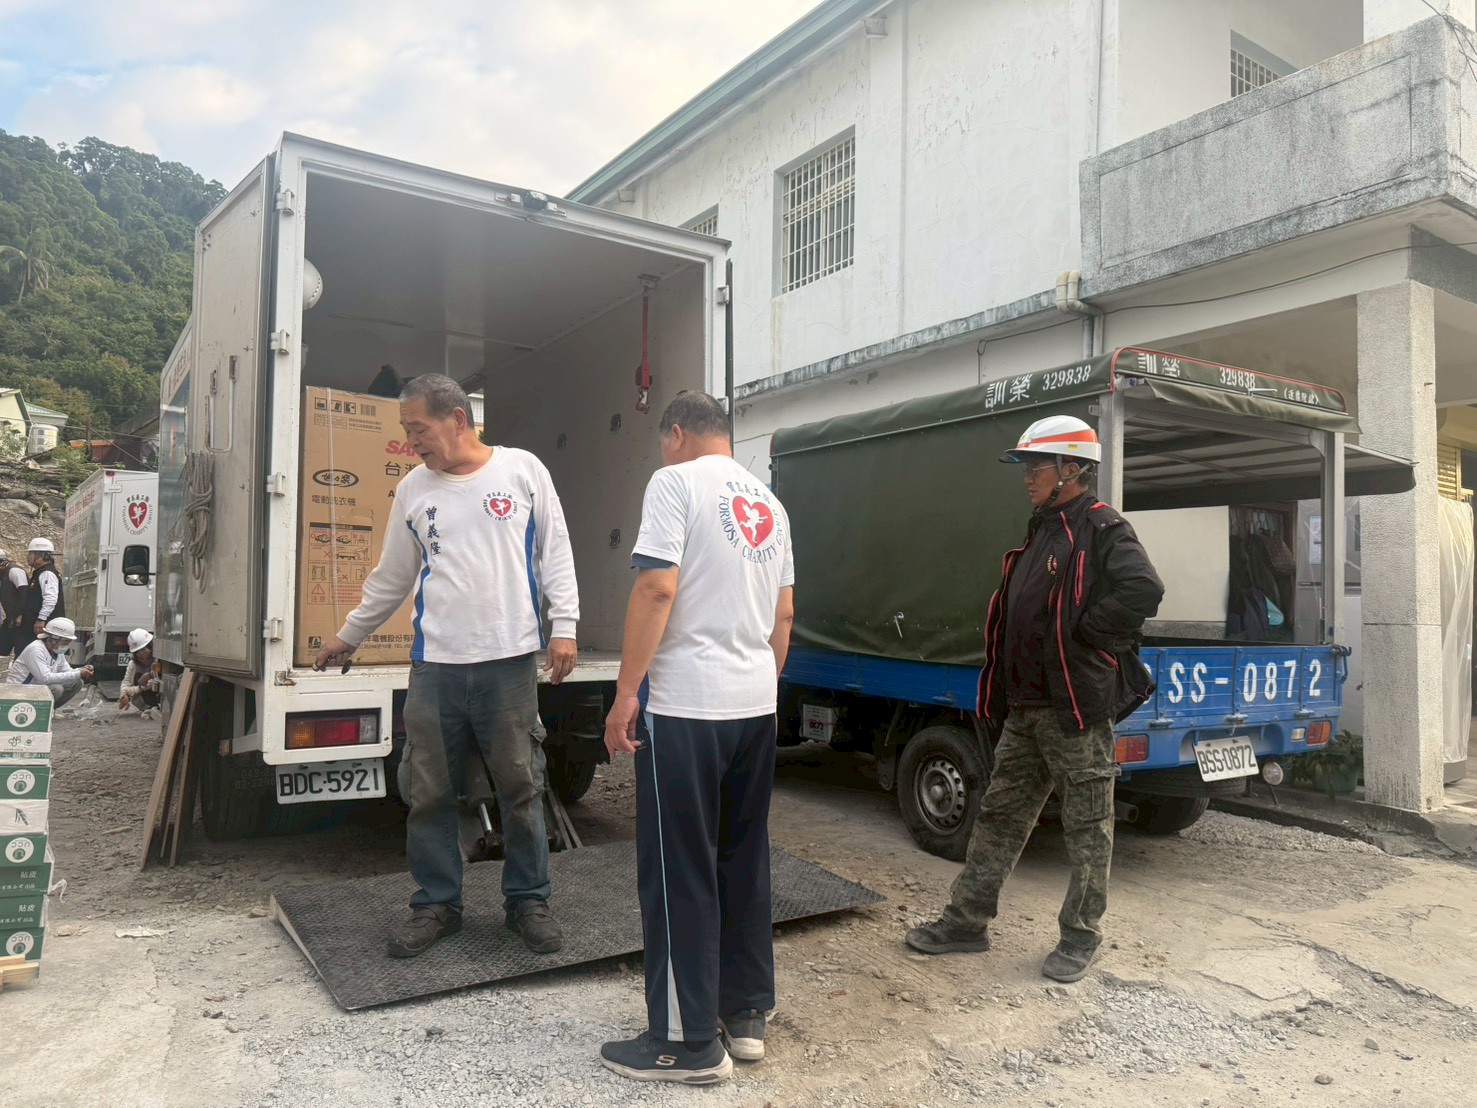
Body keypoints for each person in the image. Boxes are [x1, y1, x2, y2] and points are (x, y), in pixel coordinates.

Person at [314, 374, 579, 959]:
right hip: (435, 666)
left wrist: (564, 627)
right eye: (406, 431)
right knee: (428, 792)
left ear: (458, 419)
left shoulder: (523, 471)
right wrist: (349, 635)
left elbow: (555, 552)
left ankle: (528, 902)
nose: (412, 442)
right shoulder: (414, 489)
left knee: (522, 786)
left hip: (508, 661)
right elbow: (392, 576)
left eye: (418, 429)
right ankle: (436, 905)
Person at [905, 414, 1163, 983]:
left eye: (1036, 466)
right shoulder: (1043, 529)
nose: (1027, 477)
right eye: (1026, 467)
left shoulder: (1101, 527)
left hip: (1075, 710)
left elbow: (1144, 588)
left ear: (1072, 468)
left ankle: (1080, 937)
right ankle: (966, 923)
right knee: (999, 815)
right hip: (1027, 709)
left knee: (1088, 826)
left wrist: (1087, 632)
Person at [599, 392, 796, 1086]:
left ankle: (685, 1044)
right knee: (742, 857)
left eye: (663, 442)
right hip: (754, 706)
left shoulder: (673, 483)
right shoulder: (770, 504)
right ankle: (744, 1013)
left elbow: (657, 589)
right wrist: (759, 687)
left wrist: (627, 692)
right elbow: (784, 615)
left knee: (678, 867)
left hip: (687, 707)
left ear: (676, 433)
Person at [7, 617, 94, 707]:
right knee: (56, 689)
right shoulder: (36, 650)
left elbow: (67, 671)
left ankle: (49, 711)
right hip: (20, 690)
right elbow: (45, 678)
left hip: (37, 687)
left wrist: (81, 670)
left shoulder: (56, 652)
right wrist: (78, 673)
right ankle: (38, 711)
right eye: (65, 642)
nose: (67, 646)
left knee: (77, 682)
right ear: (53, 639)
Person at [22, 537, 64, 637]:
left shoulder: (47, 573)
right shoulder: (40, 573)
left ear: (42, 556)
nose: (28, 557)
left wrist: (41, 619)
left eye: (30, 553)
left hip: (41, 626)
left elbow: (50, 598)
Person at [118, 628, 161, 716]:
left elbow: (152, 683)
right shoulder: (133, 664)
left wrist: (135, 690)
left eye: (143, 649)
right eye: (138, 651)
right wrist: (124, 695)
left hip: (158, 695)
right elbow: (126, 683)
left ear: (150, 646)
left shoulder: (159, 661)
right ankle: (146, 708)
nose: (141, 653)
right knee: (137, 677)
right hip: (143, 698)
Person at [0, 549, 28, 657]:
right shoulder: (3, 574)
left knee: (21, 651)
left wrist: (20, 615)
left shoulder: (14, 571)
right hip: (11, 617)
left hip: (21, 618)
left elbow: (25, 593)